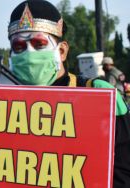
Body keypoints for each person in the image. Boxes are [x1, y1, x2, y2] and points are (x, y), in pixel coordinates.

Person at [7, 0, 130, 187]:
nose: (28, 54)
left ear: (62, 51)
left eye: (38, 44)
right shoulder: (2, 103)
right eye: (18, 47)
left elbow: (124, 168)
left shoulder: (99, 94)